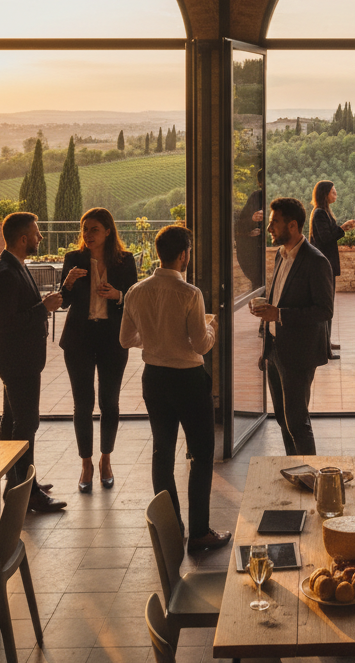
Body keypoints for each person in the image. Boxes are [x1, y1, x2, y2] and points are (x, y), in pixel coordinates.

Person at [119, 225, 230, 551]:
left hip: (154, 379)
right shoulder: (190, 294)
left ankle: (171, 529)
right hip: (187, 380)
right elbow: (201, 345)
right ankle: (199, 533)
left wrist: (154, 340)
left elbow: (126, 339)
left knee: (162, 452)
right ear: (184, 255)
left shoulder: (135, 291)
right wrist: (211, 328)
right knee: (201, 455)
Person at [0, 211, 65, 512]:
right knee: (27, 423)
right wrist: (43, 308)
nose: (40, 237)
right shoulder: (6, 271)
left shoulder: (13, 264)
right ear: (22, 239)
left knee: (11, 421)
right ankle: (28, 493)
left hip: (18, 358)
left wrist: (41, 305)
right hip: (17, 360)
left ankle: (15, 483)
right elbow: (6, 323)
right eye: (36, 233)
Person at [59, 207, 138, 493]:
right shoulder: (73, 259)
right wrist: (67, 283)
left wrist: (117, 295)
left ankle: (106, 459)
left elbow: (134, 298)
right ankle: (86, 463)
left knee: (110, 402)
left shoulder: (124, 260)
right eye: (84, 229)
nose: (87, 235)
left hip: (112, 338)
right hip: (78, 339)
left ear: (107, 231)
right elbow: (64, 302)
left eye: (94, 229)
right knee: (82, 404)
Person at [251, 197, 333, 455]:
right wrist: (266, 344)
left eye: (274, 222)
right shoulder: (280, 254)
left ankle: (311, 477)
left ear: (293, 225)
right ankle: (293, 469)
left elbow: (324, 310)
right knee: (283, 421)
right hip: (275, 350)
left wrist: (280, 314)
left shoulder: (316, 261)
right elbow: (279, 297)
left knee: (297, 422)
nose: (269, 228)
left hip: (298, 354)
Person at [309, 180, 355, 360]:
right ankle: (324, 346)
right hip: (323, 266)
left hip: (326, 265)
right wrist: (343, 228)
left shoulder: (323, 212)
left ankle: (326, 341)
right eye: (333, 191)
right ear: (325, 193)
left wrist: (341, 228)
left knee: (327, 304)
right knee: (325, 305)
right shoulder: (320, 213)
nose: (335, 193)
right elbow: (325, 238)